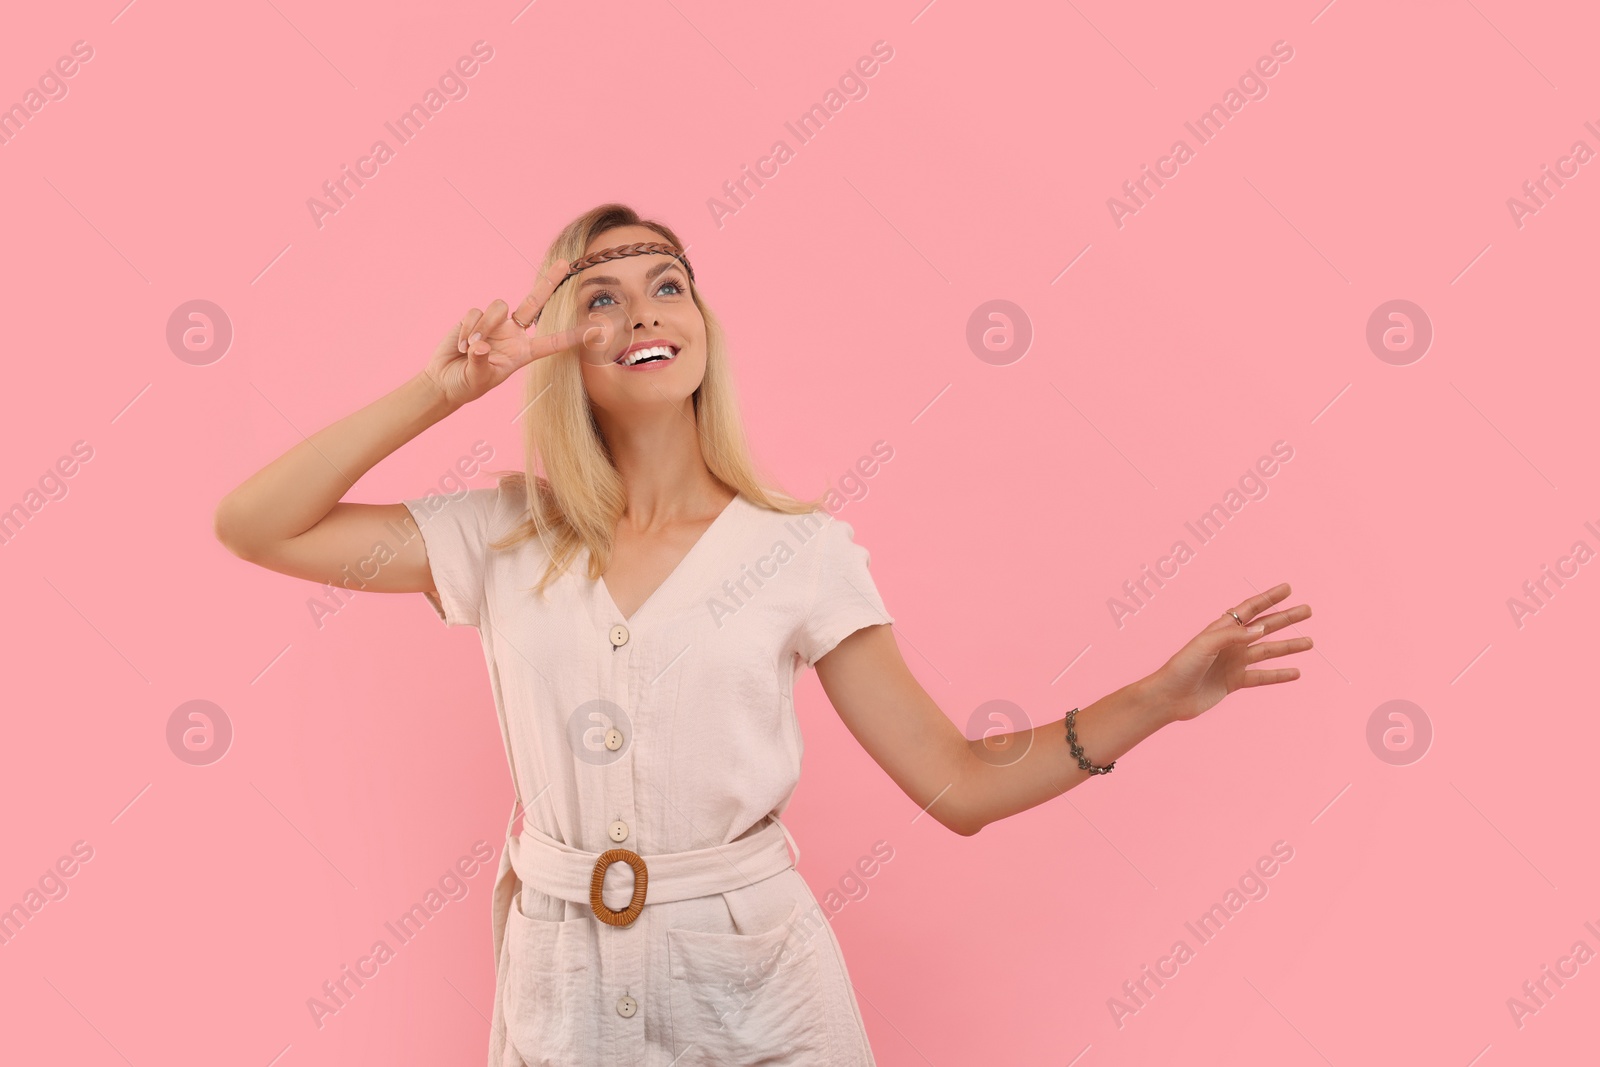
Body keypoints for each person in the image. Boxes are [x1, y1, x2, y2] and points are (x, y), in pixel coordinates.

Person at [213, 202, 1313, 1066]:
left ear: (699, 325)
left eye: (666, 284)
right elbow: (257, 524)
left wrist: (1159, 698)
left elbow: (958, 783)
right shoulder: (502, 534)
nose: (642, 310)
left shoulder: (798, 552)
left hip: (758, 998)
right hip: (560, 996)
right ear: (557, 346)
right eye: (597, 295)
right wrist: (446, 387)